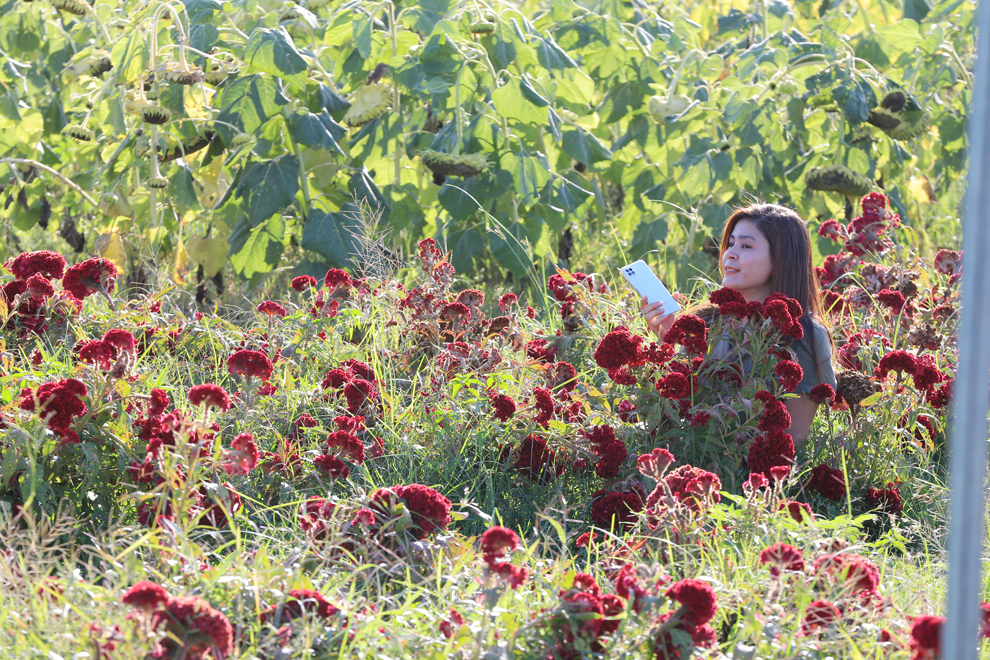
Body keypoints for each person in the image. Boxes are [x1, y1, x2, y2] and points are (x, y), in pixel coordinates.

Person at [641, 203, 837, 447]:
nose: (729, 254)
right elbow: (681, 411)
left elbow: (793, 440)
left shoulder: (805, 335)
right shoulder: (708, 321)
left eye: (745, 246)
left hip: (754, 474)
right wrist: (668, 339)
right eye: (731, 243)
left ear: (781, 259)